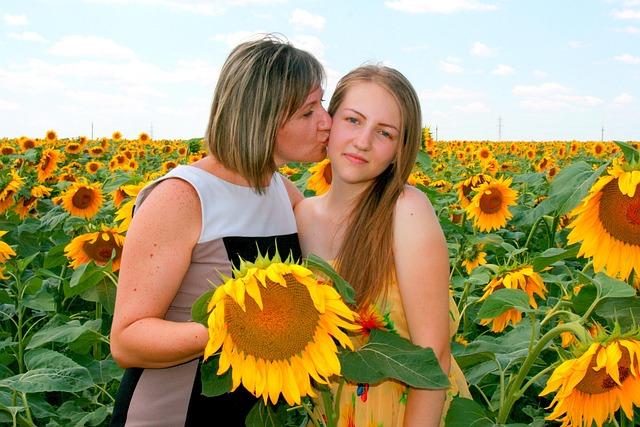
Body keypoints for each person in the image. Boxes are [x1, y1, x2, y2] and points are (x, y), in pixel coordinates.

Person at [109, 35, 331, 426]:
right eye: (308, 111)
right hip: (174, 410)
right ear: (262, 116)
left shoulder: (281, 189)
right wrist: (241, 329)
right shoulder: (182, 197)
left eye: (322, 105)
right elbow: (128, 340)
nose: (325, 123)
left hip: (251, 410)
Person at [295, 65, 469, 427]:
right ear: (329, 122)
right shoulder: (300, 216)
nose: (363, 141)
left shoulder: (405, 211)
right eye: (354, 120)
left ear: (400, 149)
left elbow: (433, 355)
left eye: (384, 133)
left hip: (408, 412)